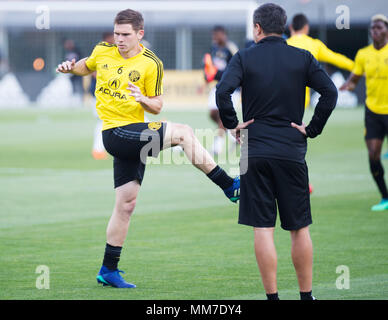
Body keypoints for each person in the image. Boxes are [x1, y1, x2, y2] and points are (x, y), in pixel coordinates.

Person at [56, 9, 241, 288]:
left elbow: (157, 105)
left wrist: (142, 97)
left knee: (126, 204)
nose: (119, 39)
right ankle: (229, 185)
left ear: (139, 34)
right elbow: (87, 64)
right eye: (117, 33)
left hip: (133, 132)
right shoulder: (103, 51)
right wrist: (72, 67)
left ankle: (108, 269)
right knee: (184, 134)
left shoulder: (151, 63)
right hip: (114, 133)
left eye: (125, 35)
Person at [216, 3, 337, 300]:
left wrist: (234, 125)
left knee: (263, 228)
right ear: (283, 27)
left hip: (254, 151)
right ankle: (306, 296)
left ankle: (273, 298)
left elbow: (222, 92)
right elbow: (330, 93)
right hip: (291, 149)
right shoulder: (302, 57)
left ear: (257, 28)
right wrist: (312, 128)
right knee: (299, 228)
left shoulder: (244, 57)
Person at [340, 14, 388, 211]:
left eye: (379, 27)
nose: (375, 31)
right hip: (373, 111)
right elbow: (354, 80)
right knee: (373, 155)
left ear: (386, 30)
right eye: (372, 28)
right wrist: (344, 87)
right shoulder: (363, 54)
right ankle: (385, 197)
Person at [287, 13, 354, 108]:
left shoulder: (284, 44)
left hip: (283, 99)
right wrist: (357, 68)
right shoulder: (315, 45)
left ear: (290, 27)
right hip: (303, 102)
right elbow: (337, 59)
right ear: (306, 27)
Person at [203, 25, 240, 155]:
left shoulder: (231, 49)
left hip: (232, 89)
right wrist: (206, 79)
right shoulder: (213, 49)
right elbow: (209, 69)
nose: (214, 38)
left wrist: (217, 73)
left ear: (223, 35)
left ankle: (216, 148)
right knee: (213, 113)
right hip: (218, 86)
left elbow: (236, 69)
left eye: (216, 35)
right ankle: (234, 135)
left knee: (223, 116)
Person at [90, 32, 115, 160]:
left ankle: (174, 142)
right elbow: (94, 72)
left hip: (112, 96)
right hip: (101, 96)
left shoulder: (114, 52)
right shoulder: (100, 52)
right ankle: (98, 150)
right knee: (103, 121)